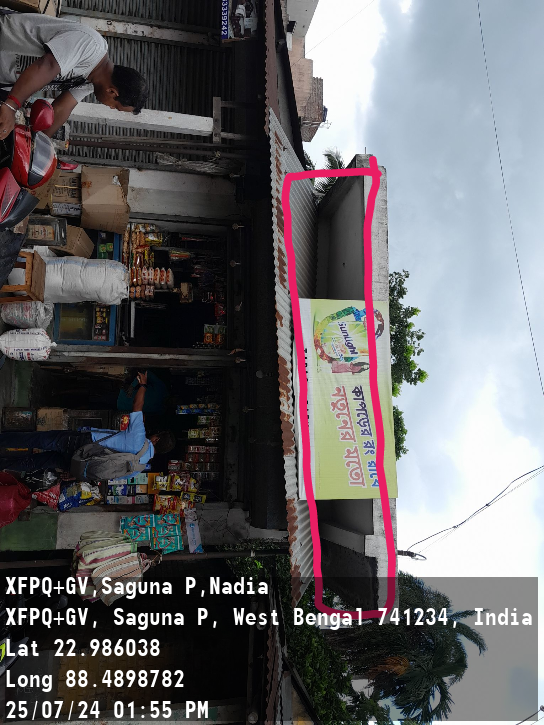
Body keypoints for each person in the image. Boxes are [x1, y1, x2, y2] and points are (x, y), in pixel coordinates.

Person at [0, 12, 148, 141]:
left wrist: (40, 143)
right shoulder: (91, 45)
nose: (110, 107)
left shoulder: (90, 80)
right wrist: (11, 105)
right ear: (112, 92)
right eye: (115, 106)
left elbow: (63, 107)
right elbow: (47, 66)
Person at [0, 372, 175, 476]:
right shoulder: (139, 468)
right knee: (40, 462)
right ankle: (3, 464)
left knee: (38, 440)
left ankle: (2, 441)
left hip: (83, 443)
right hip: (81, 464)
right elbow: (110, 475)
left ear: (157, 439)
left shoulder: (139, 438)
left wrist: (143, 385)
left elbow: (137, 406)